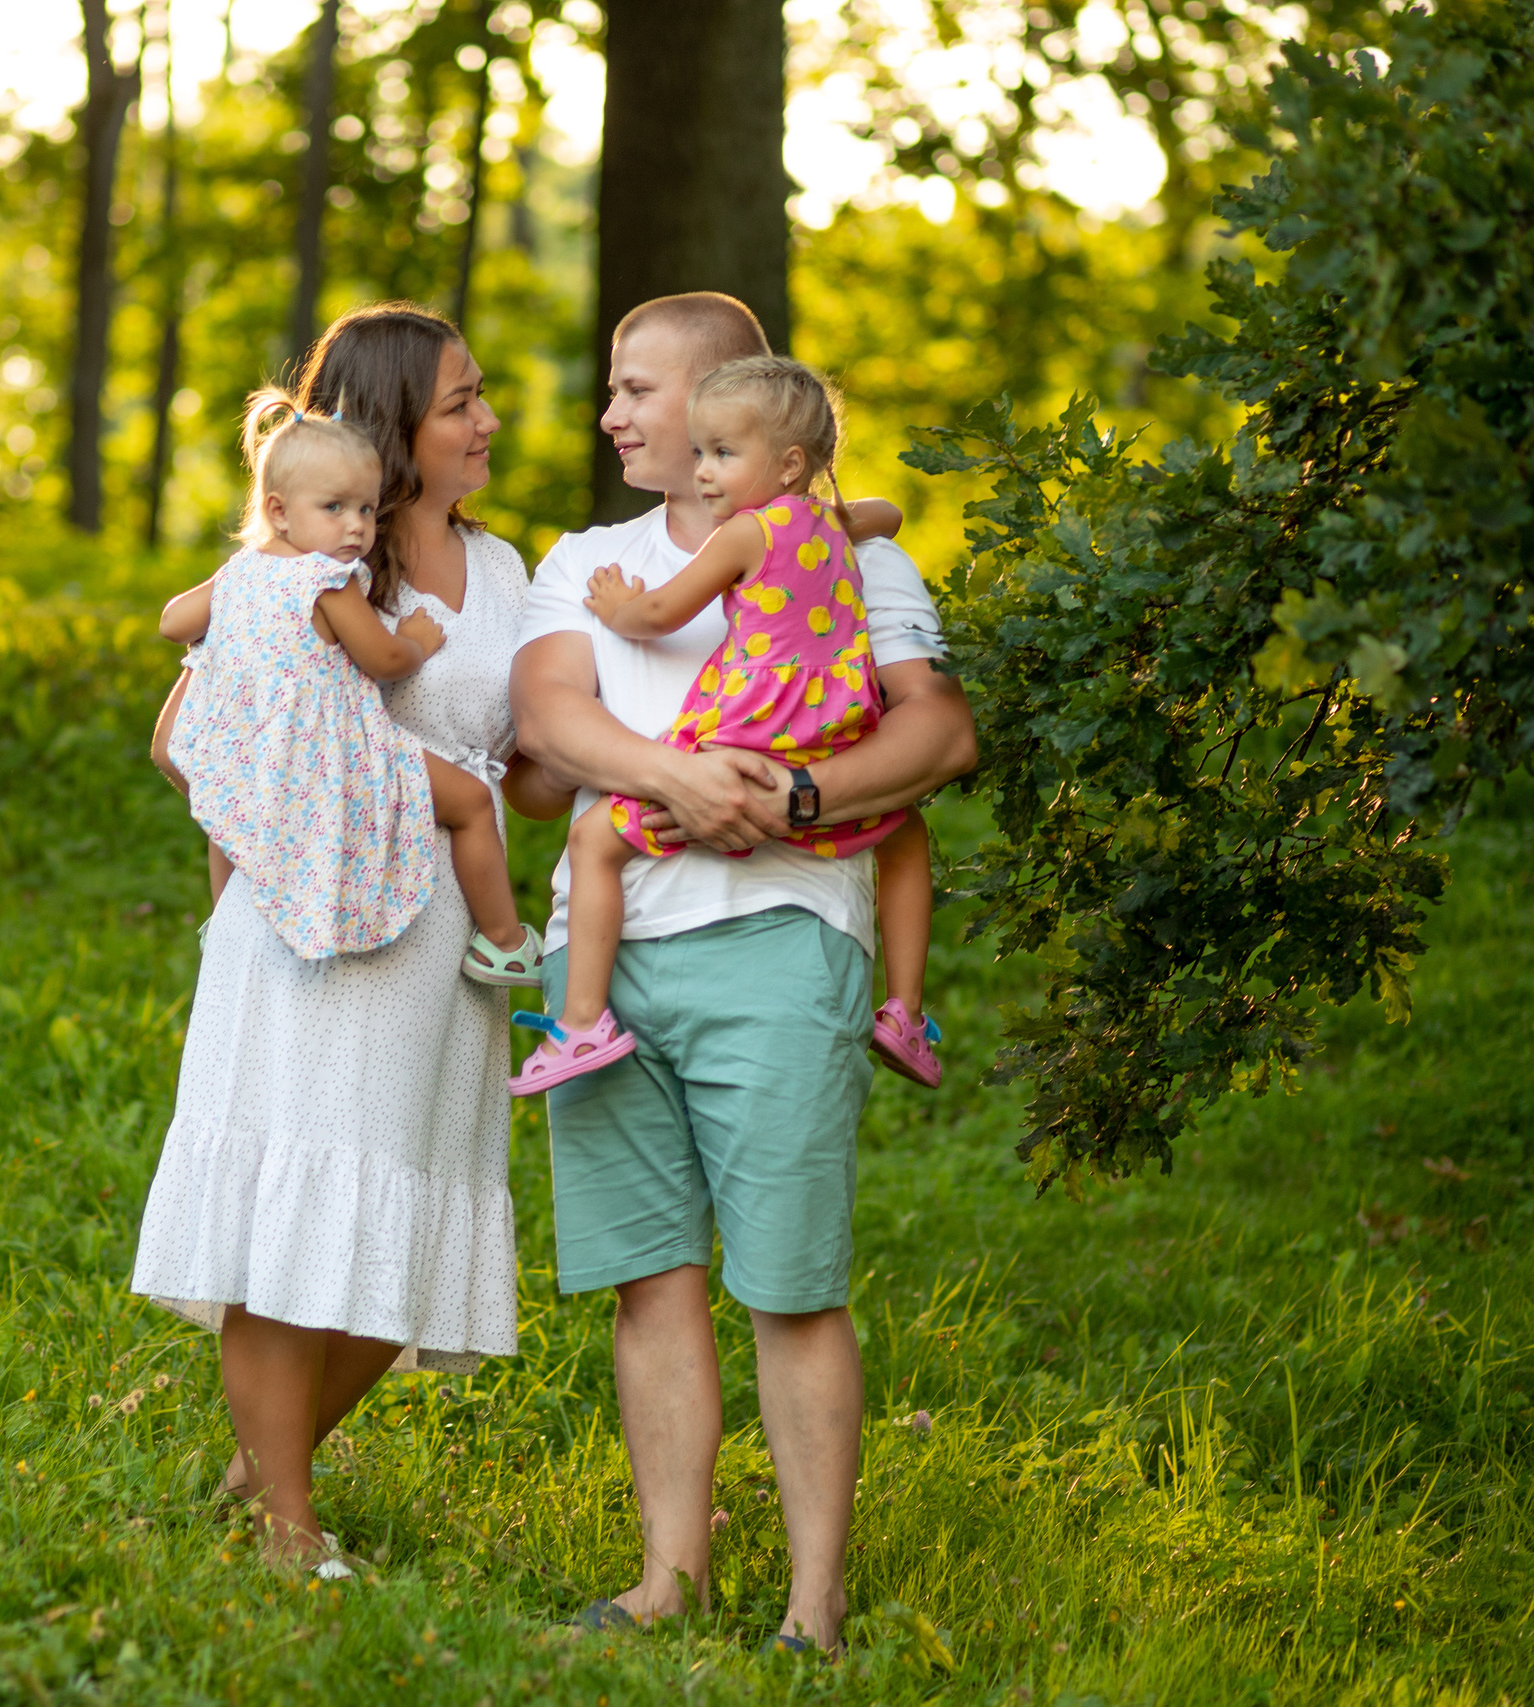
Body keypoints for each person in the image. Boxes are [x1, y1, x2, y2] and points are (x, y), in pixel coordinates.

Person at [508, 292, 978, 1651]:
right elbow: (551, 715)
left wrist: (799, 799)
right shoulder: (585, 556)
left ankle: (814, 1609)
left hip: (780, 940)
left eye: (640, 389)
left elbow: (938, 732)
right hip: (605, 951)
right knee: (650, 1274)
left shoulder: (849, 556)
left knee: (789, 1279)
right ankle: (669, 1576)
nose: (615, 414)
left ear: (737, 404)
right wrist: (683, 782)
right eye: (615, 387)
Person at [133, 303, 564, 1576]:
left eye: (483, 396)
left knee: (405, 1236)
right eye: (459, 404)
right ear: (386, 428)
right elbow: (182, 741)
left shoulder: (508, 571)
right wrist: (286, 833)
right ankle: (284, 1525)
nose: (487, 422)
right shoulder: (301, 572)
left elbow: (528, 763)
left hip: (447, 950)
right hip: (310, 924)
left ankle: (258, 1474)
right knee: (285, 1214)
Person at [508, 354, 934, 1094]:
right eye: (701, 452)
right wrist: (841, 509)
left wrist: (615, 606)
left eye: (724, 454)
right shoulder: (833, 529)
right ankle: (904, 1008)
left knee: (593, 839)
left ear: (790, 461)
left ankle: (580, 1023)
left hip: (753, 730)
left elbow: (661, 614)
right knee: (902, 829)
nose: (705, 473)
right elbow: (887, 513)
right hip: (834, 727)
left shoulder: (742, 535)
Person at [159, 396, 541, 982]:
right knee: (467, 803)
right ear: (279, 511)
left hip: (260, 748)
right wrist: (416, 639)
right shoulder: (328, 580)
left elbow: (172, 622)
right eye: (334, 507)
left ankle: (227, 923)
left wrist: (230, 599)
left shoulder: (240, 570)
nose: (356, 526)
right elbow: (383, 659)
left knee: (234, 810)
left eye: (365, 508)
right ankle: (503, 940)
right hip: (332, 747)